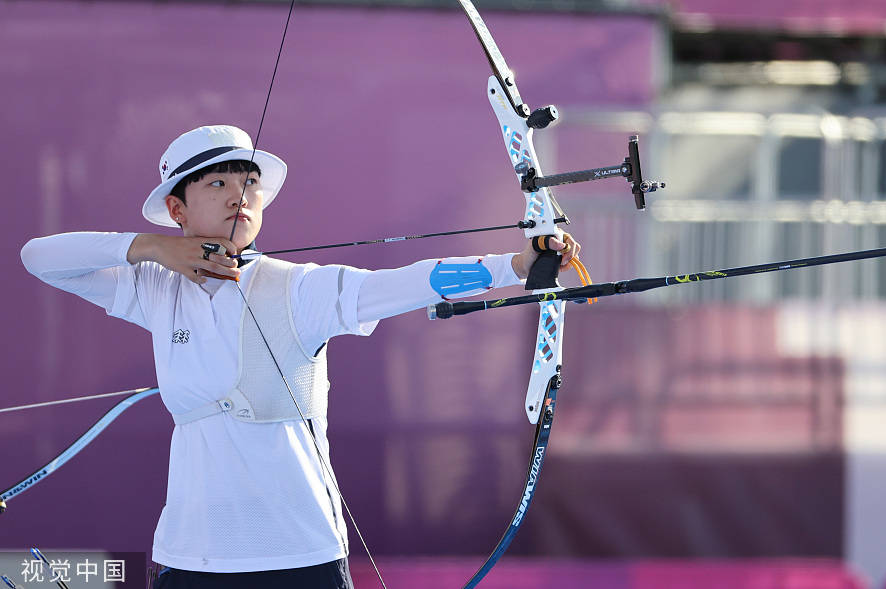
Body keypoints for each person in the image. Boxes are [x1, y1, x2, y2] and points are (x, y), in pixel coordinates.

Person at [20, 125, 581, 589]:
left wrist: (514, 264)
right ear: (177, 209)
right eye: (217, 183)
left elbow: (412, 283)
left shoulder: (301, 290)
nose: (241, 195)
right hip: (192, 557)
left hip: (299, 557)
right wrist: (150, 246)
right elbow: (38, 257)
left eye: (250, 184)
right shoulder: (156, 289)